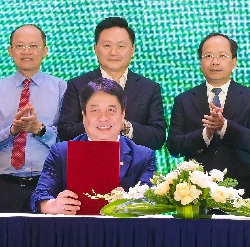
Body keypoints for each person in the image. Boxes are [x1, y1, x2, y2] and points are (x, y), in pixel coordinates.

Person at [166, 33, 250, 200]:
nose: (215, 61)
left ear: (234, 61)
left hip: (240, 193)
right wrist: (205, 134)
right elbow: (174, 146)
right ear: (200, 61)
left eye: (222, 56)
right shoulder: (184, 100)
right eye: (208, 56)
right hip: (195, 194)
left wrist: (224, 127)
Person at [33, 78, 157, 214]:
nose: (103, 118)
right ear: (84, 115)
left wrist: (129, 202)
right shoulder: (61, 152)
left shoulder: (143, 156)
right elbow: (38, 197)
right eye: (95, 110)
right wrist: (54, 205)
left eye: (111, 110)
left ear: (123, 115)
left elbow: (151, 203)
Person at [0, 24, 64, 213]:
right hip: (5, 186)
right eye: (20, 46)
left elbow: (67, 139)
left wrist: (39, 130)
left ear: (45, 51)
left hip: (48, 184)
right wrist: (12, 131)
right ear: (10, 51)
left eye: (33, 46)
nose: (27, 51)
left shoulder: (61, 88)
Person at [56, 17, 166, 148]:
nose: (114, 52)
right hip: (89, 158)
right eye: (107, 45)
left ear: (132, 50)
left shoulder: (149, 88)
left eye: (121, 46)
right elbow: (64, 132)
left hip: (134, 160)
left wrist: (125, 127)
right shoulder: (77, 85)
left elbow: (158, 137)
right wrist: (100, 124)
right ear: (96, 48)